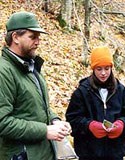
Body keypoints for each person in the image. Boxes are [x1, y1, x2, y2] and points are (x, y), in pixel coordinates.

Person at [0, 11, 71, 160]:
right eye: (33, 37)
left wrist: (55, 120)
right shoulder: (4, 72)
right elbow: (3, 122)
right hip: (21, 154)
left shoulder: (30, 66)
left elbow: (37, 105)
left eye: (39, 37)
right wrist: (45, 130)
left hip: (43, 152)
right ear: (15, 37)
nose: (38, 42)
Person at [66, 46, 125, 160]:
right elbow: (72, 119)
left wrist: (122, 124)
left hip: (115, 153)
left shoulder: (122, 92)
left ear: (111, 68)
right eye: (99, 69)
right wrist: (89, 126)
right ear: (93, 69)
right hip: (88, 153)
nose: (103, 73)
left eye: (107, 68)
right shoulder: (82, 92)